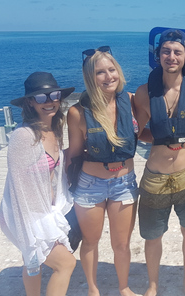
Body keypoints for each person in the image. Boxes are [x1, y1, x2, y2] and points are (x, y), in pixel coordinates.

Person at [134, 29, 185, 296]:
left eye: (177, 52)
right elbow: (136, 131)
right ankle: (153, 285)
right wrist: (162, 139)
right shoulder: (144, 93)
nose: (171, 57)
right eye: (166, 51)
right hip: (155, 176)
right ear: (158, 55)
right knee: (152, 235)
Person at [67, 46, 138, 296]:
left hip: (124, 183)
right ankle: (93, 290)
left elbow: (151, 126)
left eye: (112, 69)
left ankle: (124, 287)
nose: (109, 76)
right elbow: (74, 154)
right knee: (90, 241)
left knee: (121, 243)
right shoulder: (77, 113)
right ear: (90, 77)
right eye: (100, 72)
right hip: (90, 184)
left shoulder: (130, 101)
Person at [0, 72, 76, 296]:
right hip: (24, 213)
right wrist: (27, 235)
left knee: (33, 263)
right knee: (65, 264)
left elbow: (54, 165)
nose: (49, 101)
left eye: (54, 95)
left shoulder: (54, 128)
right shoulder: (23, 136)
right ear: (30, 103)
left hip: (43, 209)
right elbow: (17, 189)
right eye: (41, 98)